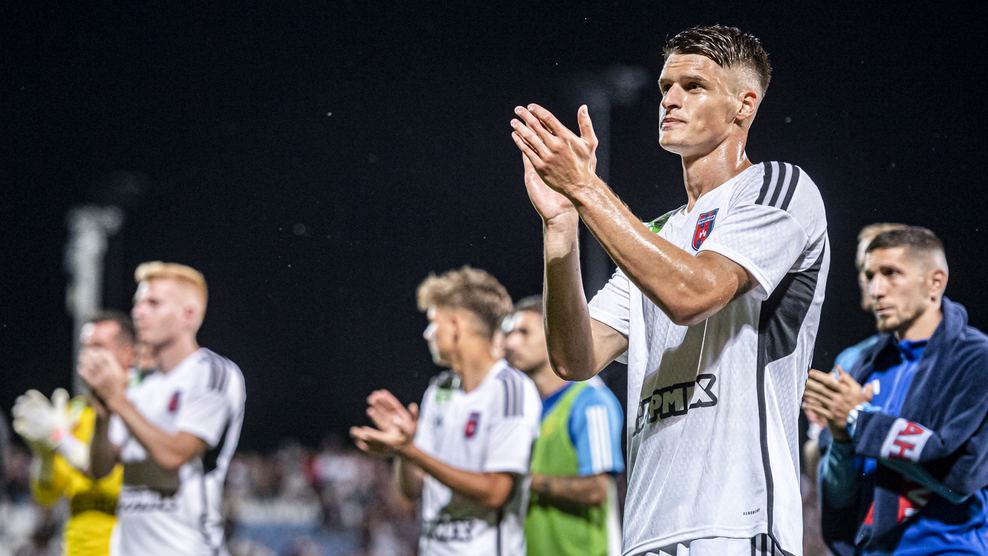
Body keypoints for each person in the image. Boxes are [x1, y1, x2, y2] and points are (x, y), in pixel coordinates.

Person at [510, 24, 829, 555]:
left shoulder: (778, 188)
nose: (670, 100)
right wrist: (562, 226)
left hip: (735, 523)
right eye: (665, 87)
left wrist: (587, 189)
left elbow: (693, 295)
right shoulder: (656, 235)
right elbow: (574, 358)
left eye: (693, 86)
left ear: (744, 105)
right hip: (647, 530)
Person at [804, 227, 988, 553]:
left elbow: (960, 478)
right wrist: (841, 438)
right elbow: (839, 500)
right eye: (870, 276)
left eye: (891, 274)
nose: (876, 290)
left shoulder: (977, 359)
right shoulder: (859, 364)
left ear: (935, 283)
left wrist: (857, 417)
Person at [350, 265, 541, 556]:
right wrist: (404, 448)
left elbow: (496, 491)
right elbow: (412, 490)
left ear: (455, 326)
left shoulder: (511, 389)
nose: (427, 334)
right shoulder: (439, 390)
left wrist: (412, 452)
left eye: (432, 322)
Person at [79, 262, 246, 555]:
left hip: (186, 548)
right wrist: (103, 415)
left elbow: (173, 455)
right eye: (138, 303)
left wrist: (118, 401)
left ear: (188, 315)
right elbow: (100, 469)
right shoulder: (137, 383)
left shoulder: (213, 373)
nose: (138, 312)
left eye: (153, 303)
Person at [502, 295, 624, 556]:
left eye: (523, 332)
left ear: (553, 336)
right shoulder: (523, 406)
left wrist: (522, 481)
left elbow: (596, 490)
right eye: (509, 333)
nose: (510, 343)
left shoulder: (591, 401)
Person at [11, 311, 133, 556]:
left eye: (98, 347)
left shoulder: (140, 406)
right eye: (84, 347)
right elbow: (46, 496)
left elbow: (112, 478)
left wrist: (62, 441)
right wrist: (44, 456)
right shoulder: (74, 413)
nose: (87, 354)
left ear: (127, 354)